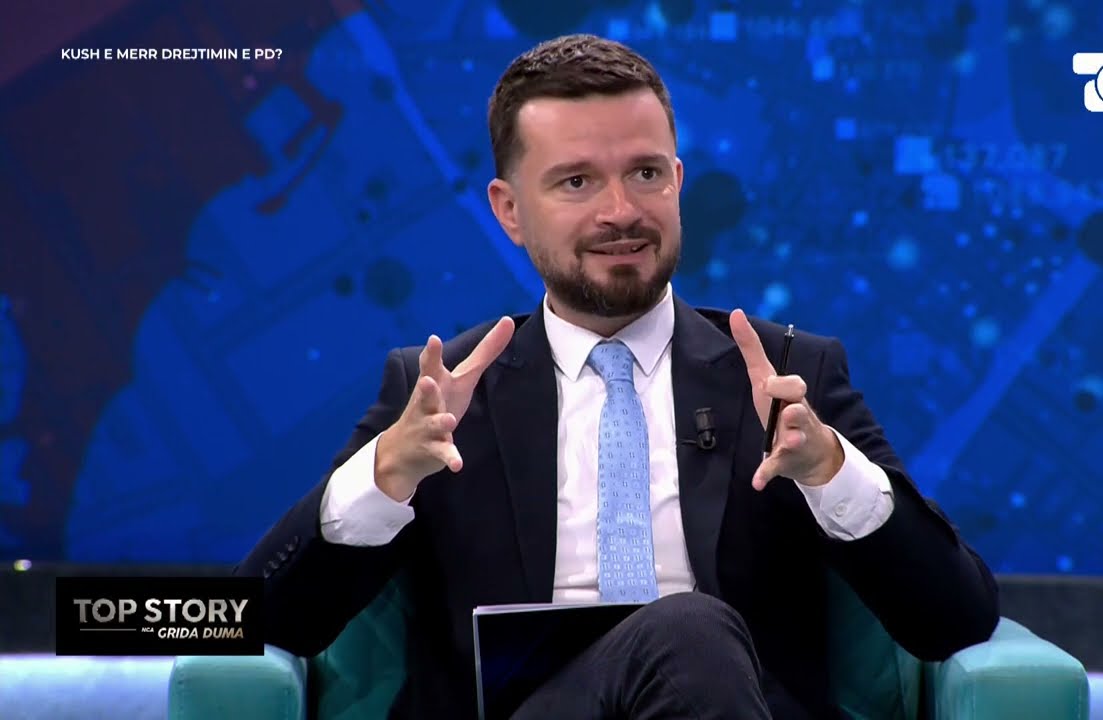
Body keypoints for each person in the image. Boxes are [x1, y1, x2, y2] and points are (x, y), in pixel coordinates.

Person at [238, 33, 999, 720]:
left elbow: (956, 620)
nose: (621, 211)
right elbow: (263, 619)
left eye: (645, 173)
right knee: (685, 625)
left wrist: (832, 472)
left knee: (690, 632)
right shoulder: (441, 393)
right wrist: (382, 478)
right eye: (576, 182)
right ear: (509, 210)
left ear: (678, 180)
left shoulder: (788, 376)